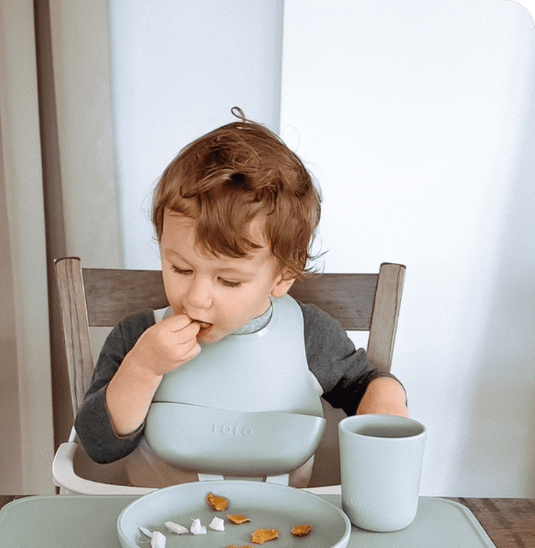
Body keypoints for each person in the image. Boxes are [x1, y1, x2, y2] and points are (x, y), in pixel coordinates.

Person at [75, 109, 407, 487]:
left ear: (283, 276)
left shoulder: (309, 336)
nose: (196, 299)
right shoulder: (136, 336)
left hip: (283, 521)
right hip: (157, 519)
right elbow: (97, 447)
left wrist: (386, 397)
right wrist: (143, 368)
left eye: (229, 281)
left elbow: (364, 386)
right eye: (181, 269)